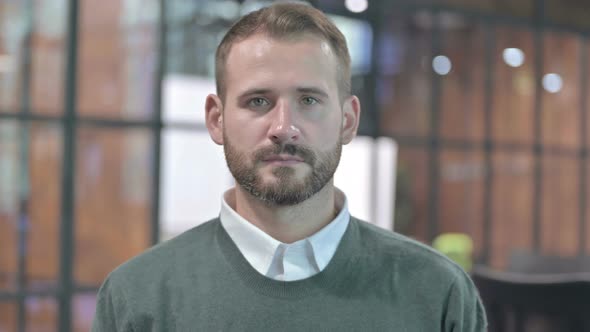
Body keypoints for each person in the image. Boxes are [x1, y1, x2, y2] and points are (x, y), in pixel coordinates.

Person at [92, 2, 487, 331]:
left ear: (348, 120)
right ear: (216, 119)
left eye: (309, 101)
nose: (284, 129)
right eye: (258, 101)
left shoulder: (439, 295)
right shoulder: (137, 298)